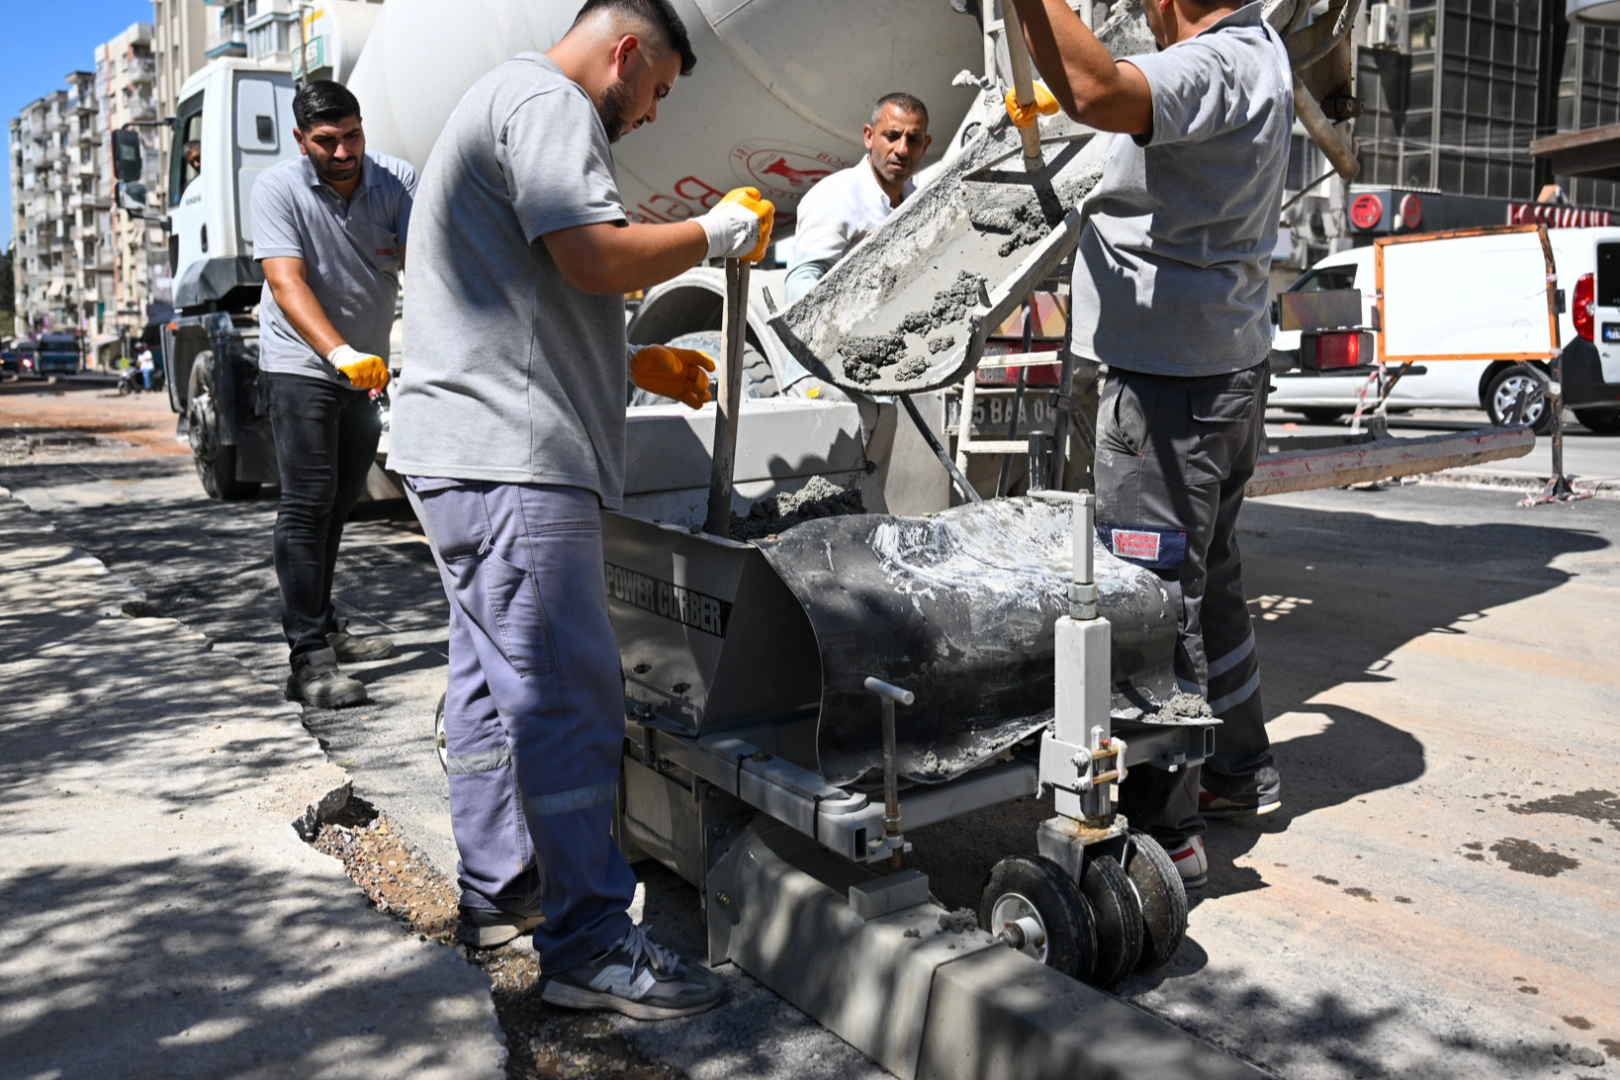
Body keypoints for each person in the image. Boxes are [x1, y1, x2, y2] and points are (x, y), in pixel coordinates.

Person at [387, 0, 772, 1019]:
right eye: (657, 92)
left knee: (490, 685)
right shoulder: (550, 102)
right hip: (512, 461)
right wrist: (716, 232)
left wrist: (630, 358)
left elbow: (521, 288)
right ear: (625, 52)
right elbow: (594, 256)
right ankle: (590, 947)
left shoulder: (500, 99)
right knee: (570, 696)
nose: (650, 116)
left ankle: (499, 890)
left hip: (461, 453)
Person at [1006, 0, 1291, 886]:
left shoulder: (1211, 65)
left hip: (1168, 385)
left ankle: (1167, 825)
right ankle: (1237, 769)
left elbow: (1098, 90)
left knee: (1150, 600)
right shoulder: (1261, 50)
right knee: (1210, 583)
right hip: (1222, 368)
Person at [251, 80, 416, 708]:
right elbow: (286, 282)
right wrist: (338, 352)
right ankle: (309, 660)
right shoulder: (277, 189)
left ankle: (324, 625)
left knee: (342, 500)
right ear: (301, 140)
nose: (343, 151)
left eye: (352, 135)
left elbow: (430, 262)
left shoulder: (396, 181)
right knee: (308, 503)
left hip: (366, 370)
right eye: (326, 141)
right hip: (302, 363)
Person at [784, 92, 932, 305]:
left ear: (925, 145)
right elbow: (802, 282)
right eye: (892, 136)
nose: (902, 149)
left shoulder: (921, 202)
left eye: (913, 139)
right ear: (869, 136)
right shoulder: (836, 195)